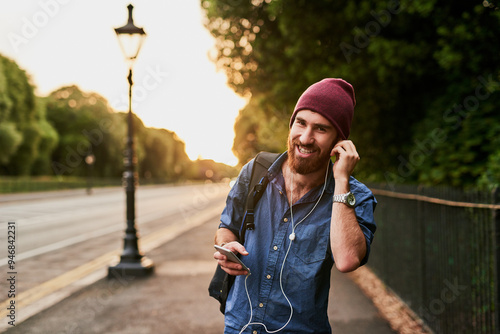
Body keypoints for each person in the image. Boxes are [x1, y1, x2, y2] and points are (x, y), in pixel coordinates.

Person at [214, 78, 377, 334]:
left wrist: (342, 180)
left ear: (339, 141)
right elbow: (226, 227)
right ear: (291, 124)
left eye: (321, 129)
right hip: (239, 326)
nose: (306, 137)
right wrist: (226, 246)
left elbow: (347, 260)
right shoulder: (255, 172)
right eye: (300, 123)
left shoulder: (354, 195)